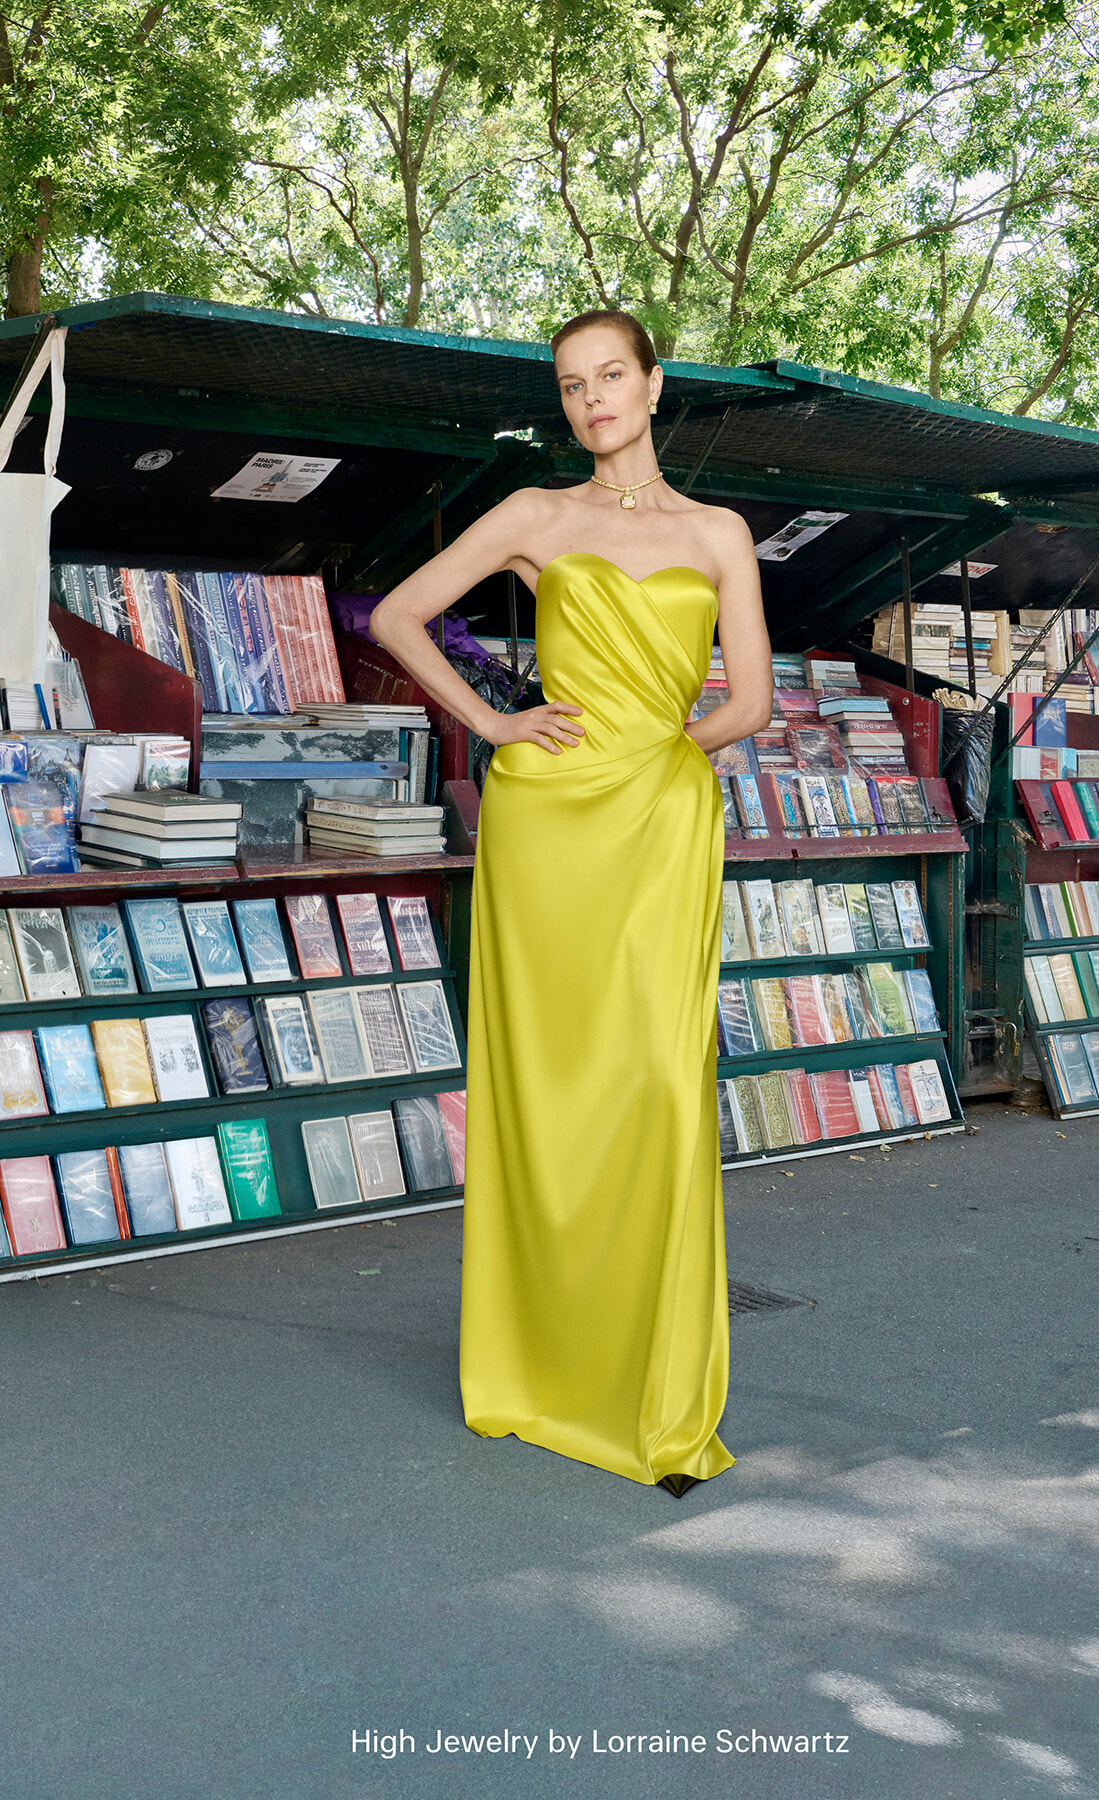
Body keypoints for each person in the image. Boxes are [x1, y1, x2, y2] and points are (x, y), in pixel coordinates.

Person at [369, 308, 773, 1493]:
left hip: (657, 819)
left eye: (612, 376)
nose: (593, 398)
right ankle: (537, 1374)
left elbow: (746, 702)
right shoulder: (539, 515)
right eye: (571, 384)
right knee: (546, 1087)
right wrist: (494, 720)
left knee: (652, 1082)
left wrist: (661, 753)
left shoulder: (719, 533)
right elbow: (393, 613)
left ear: (655, 386)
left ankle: (650, 1398)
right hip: (547, 821)